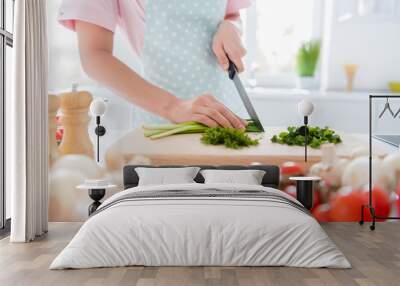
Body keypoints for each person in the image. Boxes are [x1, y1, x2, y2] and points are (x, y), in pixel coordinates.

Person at [59, 0, 251, 129]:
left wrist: (231, 26)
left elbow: (232, 14)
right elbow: (94, 55)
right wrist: (174, 107)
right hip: (162, 123)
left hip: (229, 115)